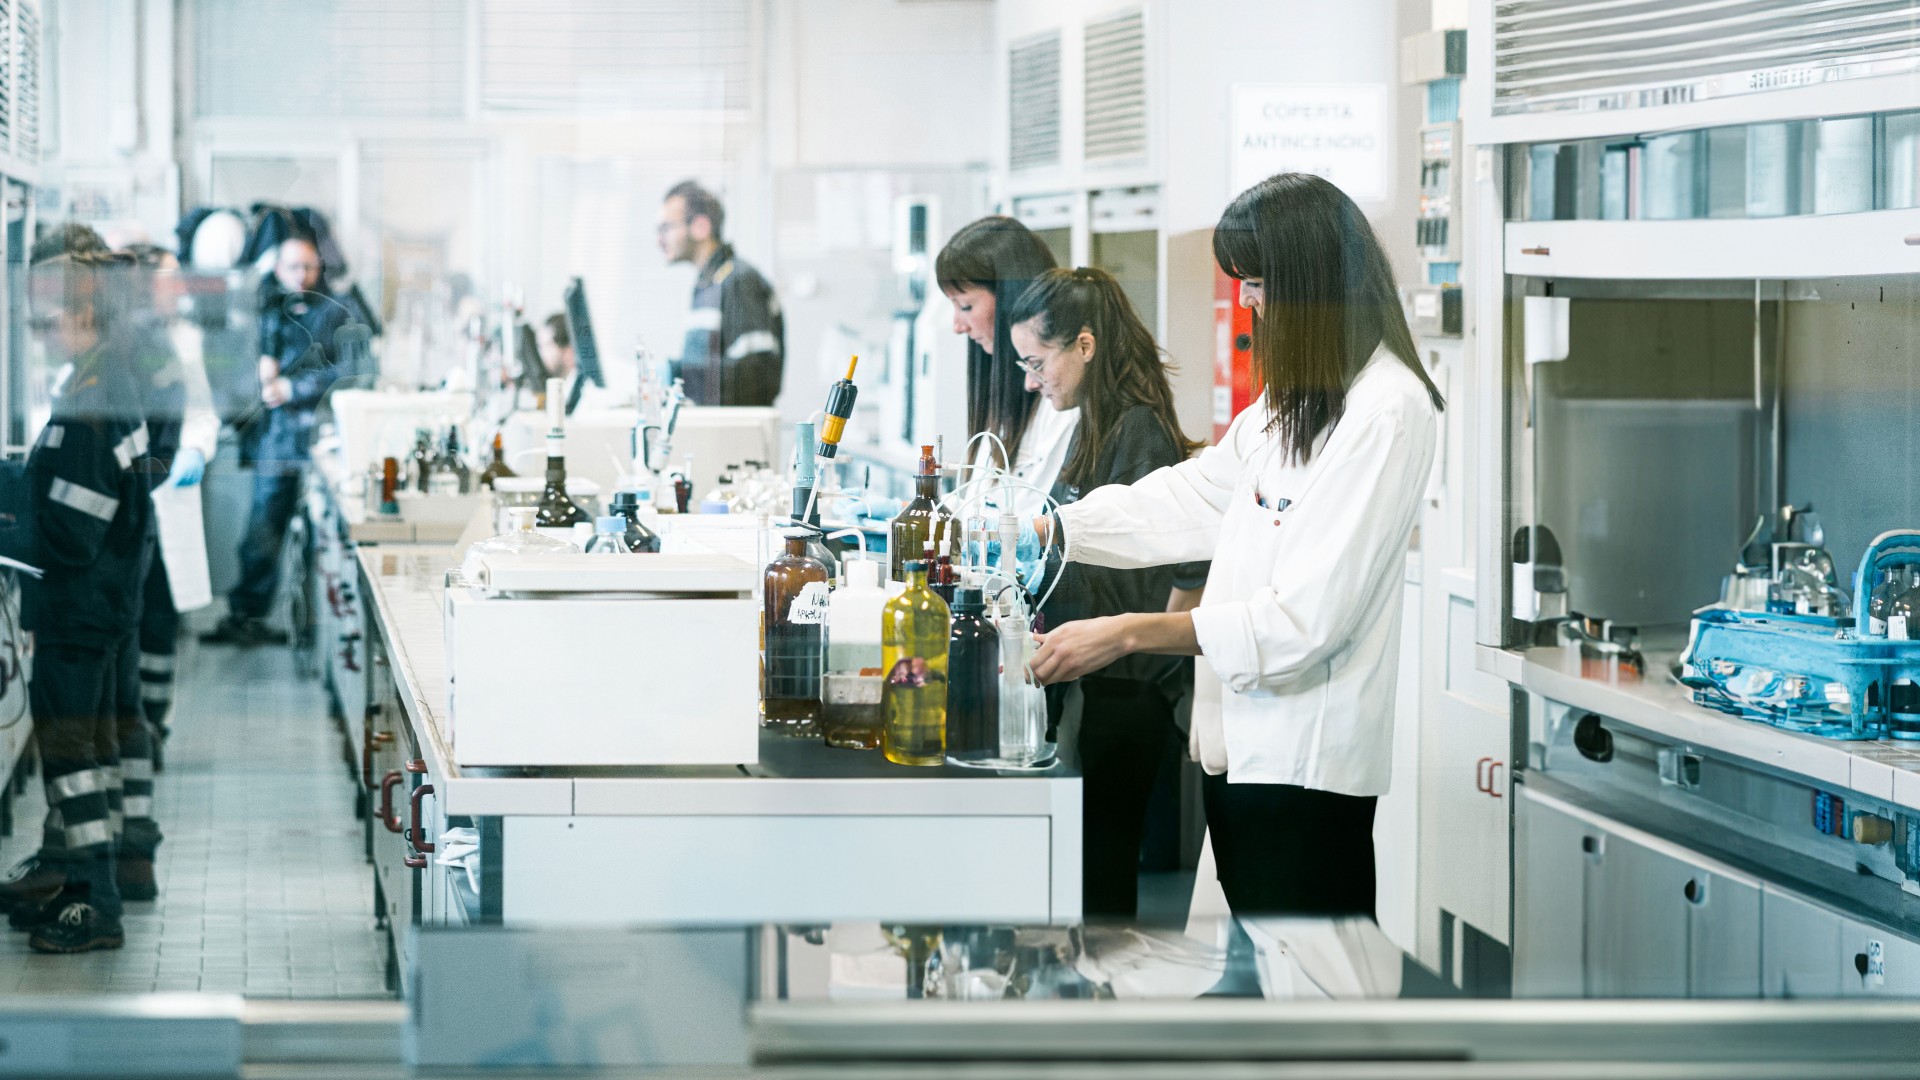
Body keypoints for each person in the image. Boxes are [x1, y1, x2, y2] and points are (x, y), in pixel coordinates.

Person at [1028, 173, 1445, 918]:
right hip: (1238, 752)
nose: (1248, 302)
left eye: (1256, 282)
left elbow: (1302, 622)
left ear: (1311, 282)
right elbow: (1192, 497)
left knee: (1306, 1004)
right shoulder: (1295, 401)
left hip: (1305, 769)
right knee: (1251, 994)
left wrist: (1129, 633)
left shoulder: (1387, 413)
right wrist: (1055, 527)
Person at [1006, 267, 1207, 917]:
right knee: (1085, 866)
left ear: (1084, 346)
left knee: (1101, 879)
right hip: (1103, 673)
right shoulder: (1096, 424)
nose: (1031, 381)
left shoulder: (1137, 430)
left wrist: (1157, 660)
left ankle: (1102, 1007)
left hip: (1128, 687)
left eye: (1038, 362)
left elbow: (1189, 557)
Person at [0, 241, 162, 952]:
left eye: (43, 321)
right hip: (104, 609)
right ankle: (70, 876)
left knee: (71, 758)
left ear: (78, 315)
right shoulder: (107, 384)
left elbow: (70, 533)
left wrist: (7, 526)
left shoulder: (88, 405)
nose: (36, 336)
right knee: (85, 750)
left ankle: (94, 902)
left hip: (79, 612)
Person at [202, 232, 356, 647]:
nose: (302, 275)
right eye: (293, 266)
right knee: (263, 528)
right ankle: (249, 615)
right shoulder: (260, 307)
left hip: (319, 436)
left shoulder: (334, 313)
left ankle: (312, 625)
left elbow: (347, 369)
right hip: (274, 438)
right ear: (277, 268)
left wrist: (293, 388)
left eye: (309, 266)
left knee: (317, 533)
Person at [121, 243, 219, 769]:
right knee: (127, 619)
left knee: (159, 615)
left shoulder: (184, 339)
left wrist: (194, 449)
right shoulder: (115, 341)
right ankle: (131, 722)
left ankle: (154, 727)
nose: (178, 288)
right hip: (127, 498)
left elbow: (203, 411)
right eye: (167, 279)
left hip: (169, 491)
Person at [934, 217, 1076, 517]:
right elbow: (981, 503)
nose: (958, 326)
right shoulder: (1009, 399)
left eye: (966, 306)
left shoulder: (1064, 401)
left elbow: (1026, 516)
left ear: (1012, 298)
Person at [658, 180, 784, 406]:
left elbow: (758, 378)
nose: (660, 239)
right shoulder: (709, 284)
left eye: (667, 227)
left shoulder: (738, 281)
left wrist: (677, 375)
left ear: (700, 227)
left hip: (738, 437)